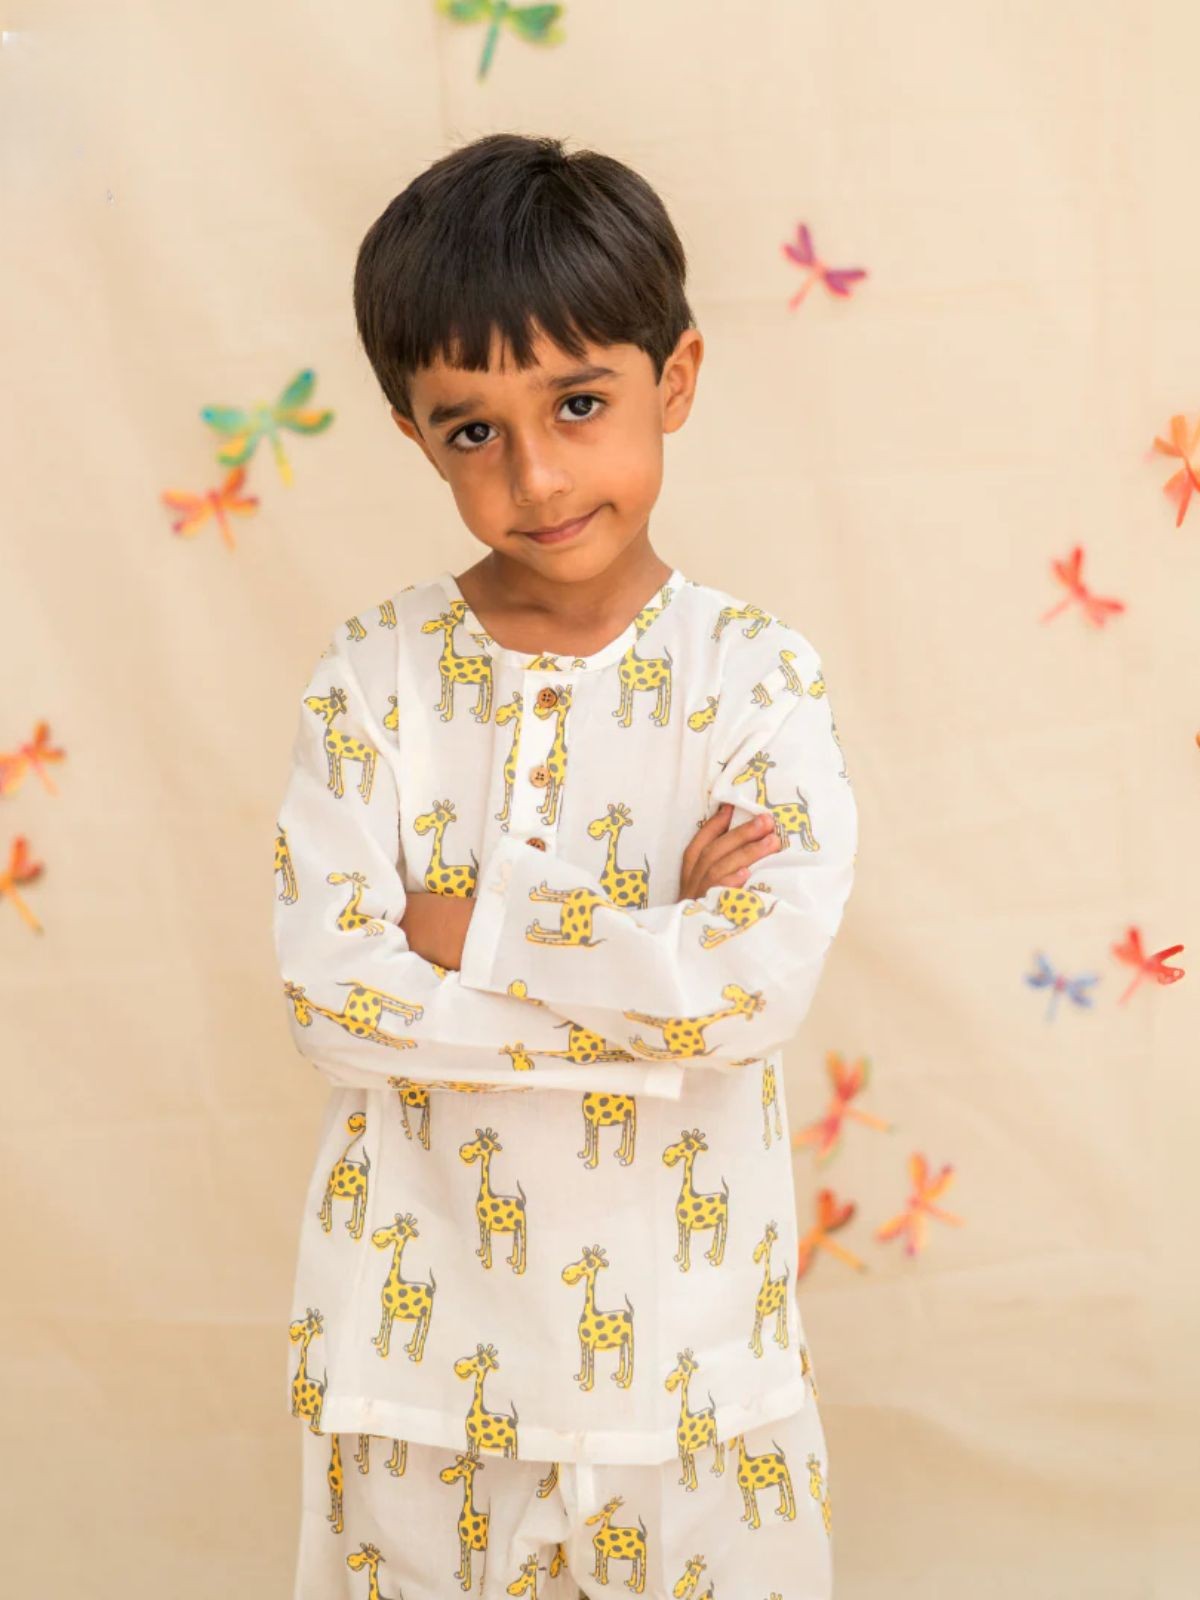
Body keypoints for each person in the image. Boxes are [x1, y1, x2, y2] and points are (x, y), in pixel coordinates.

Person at [273, 131, 858, 1600]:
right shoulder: (373, 679)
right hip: (412, 1377)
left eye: (579, 404)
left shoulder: (756, 679)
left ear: (677, 379)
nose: (535, 474)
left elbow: (750, 998)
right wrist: (652, 972)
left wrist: (481, 932)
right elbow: (332, 1000)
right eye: (472, 430)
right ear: (414, 435)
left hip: (699, 1384)